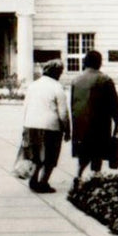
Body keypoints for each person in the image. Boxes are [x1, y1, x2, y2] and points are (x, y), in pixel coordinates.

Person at [69, 49, 118, 187]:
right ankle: (95, 177)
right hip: (99, 123)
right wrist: (117, 119)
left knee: (83, 152)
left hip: (80, 123)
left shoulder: (75, 80)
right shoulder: (105, 79)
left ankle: (78, 175)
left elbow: (72, 103)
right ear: (99, 62)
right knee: (97, 153)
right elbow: (113, 103)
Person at [20, 60, 70, 193]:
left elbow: (25, 106)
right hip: (50, 127)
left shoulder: (33, 85)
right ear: (56, 72)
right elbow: (63, 112)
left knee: (36, 155)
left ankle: (34, 179)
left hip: (31, 124)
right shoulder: (57, 87)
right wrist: (67, 129)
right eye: (60, 72)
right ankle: (43, 182)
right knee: (50, 157)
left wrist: (24, 125)